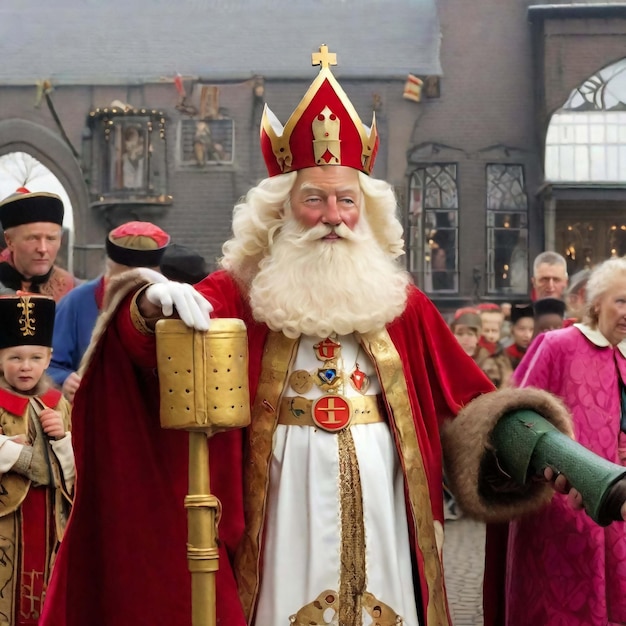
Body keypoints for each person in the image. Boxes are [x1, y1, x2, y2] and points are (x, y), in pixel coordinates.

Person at [38, 46, 622, 626]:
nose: (333, 215)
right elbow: (148, 355)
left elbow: (471, 406)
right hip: (279, 512)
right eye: (313, 199)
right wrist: (147, 301)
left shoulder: (400, 303)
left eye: (347, 200)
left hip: (387, 508)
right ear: (281, 212)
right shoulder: (240, 292)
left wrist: (552, 457)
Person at [505, 257, 626, 625]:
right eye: (621, 300)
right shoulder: (557, 345)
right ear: (595, 303)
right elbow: (515, 422)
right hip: (563, 506)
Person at [0, 294, 74, 625]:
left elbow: (77, 471)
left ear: (49, 359)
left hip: (49, 524)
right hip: (6, 527)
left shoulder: (59, 404)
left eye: (35, 357)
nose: (25, 366)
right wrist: (13, 453)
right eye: (15, 357)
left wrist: (62, 439)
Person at [47, 222, 170, 402]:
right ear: (110, 268)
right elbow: (48, 362)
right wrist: (65, 379)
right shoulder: (77, 302)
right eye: (126, 275)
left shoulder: (167, 305)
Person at [0, 188, 76, 301]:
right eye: (32, 238)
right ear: (9, 241)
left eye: (51, 238)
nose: (42, 249)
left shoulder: (71, 289)